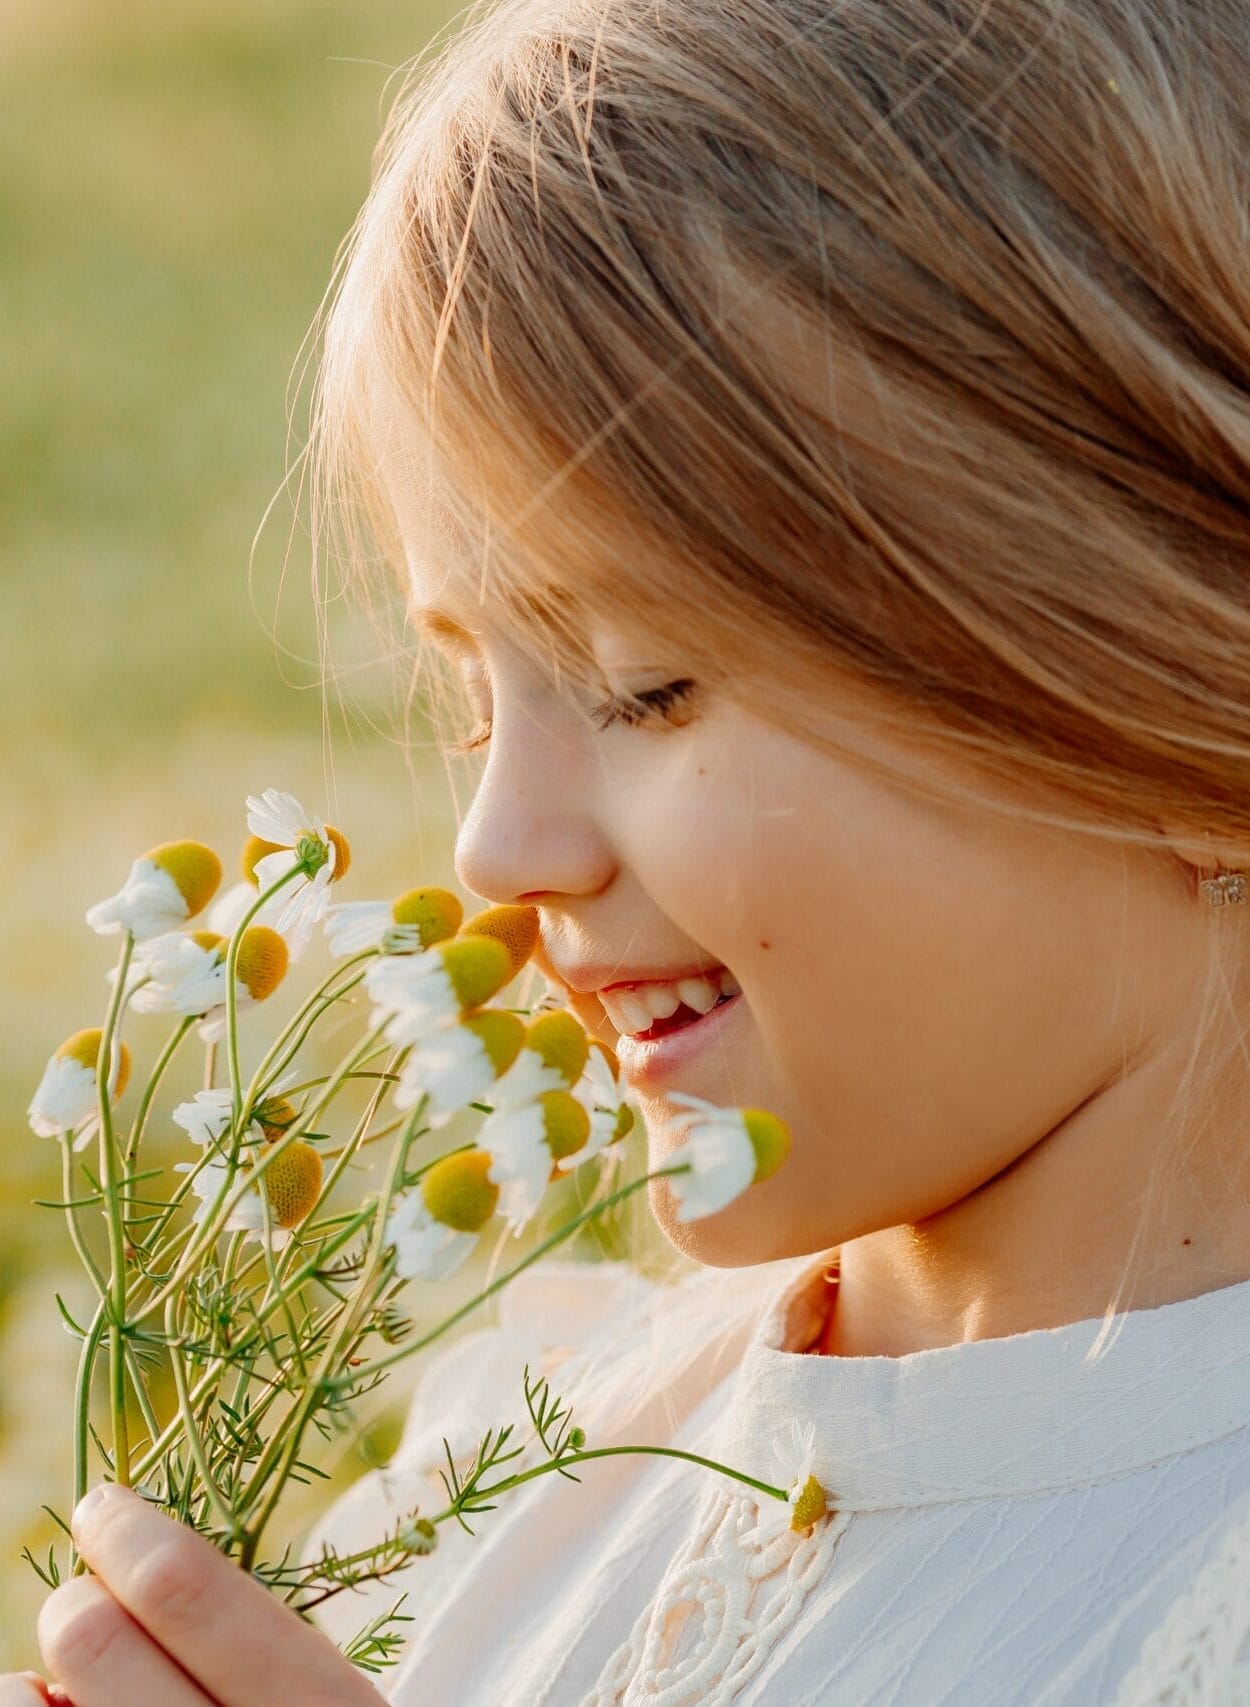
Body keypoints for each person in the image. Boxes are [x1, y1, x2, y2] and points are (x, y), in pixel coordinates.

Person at [11, 0, 1250, 1700]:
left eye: (641, 687)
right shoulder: (532, 1475)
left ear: (1183, 664)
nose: (495, 847)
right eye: (468, 701)